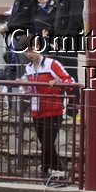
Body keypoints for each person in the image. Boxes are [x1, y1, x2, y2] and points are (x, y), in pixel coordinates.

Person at [23, 36, 74, 184]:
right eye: (26, 52)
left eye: (32, 50)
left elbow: (69, 82)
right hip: (36, 110)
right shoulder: (28, 68)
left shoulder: (52, 64)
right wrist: (23, 84)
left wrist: (57, 83)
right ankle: (55, 171)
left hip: (53, 110)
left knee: (47, 143)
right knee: (46, 144)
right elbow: (30, 89)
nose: (29, 54)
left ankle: (48, 171)